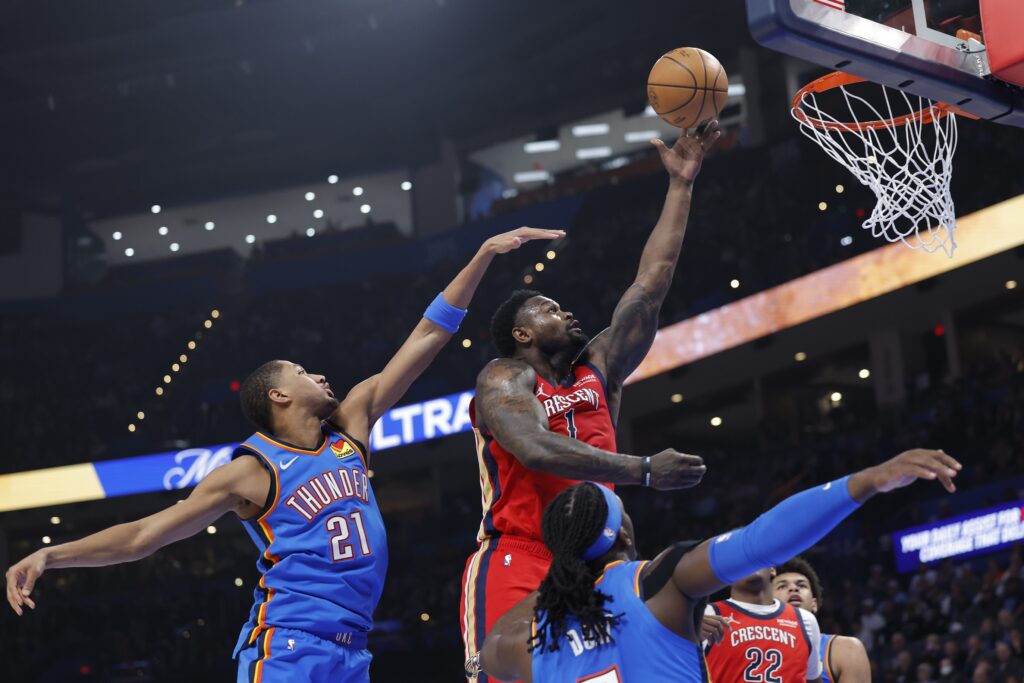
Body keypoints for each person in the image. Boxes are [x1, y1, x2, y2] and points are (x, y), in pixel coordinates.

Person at [4, 226, 564, 683]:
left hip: (354, 649)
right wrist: (52, 556)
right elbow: (142, 536)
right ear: (278, 395)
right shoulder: (249, 472)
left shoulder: (352, 425)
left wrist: (484, 253)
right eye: (303, 372)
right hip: (289, 646)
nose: (320, 374)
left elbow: (427, 335)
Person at [462, 121, 721, 680]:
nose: (569, 313)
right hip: (521, 551)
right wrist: (644, 470)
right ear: (522, 335)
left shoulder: (596, 370)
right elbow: (534, 448)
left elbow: (649, 287)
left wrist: (681, 185)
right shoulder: (502, 377)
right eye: (551, 309)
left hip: (599, 555)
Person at [471, 448, 960, 683]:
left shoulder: (527, 642)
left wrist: (564, 562)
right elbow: (760, 541)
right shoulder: (656, 584)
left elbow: (491, 644)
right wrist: (867, 482)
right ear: (622, 532)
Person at [704, 567, 823, 681]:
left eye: (754, 555)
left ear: (772, 569)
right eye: (741, 558)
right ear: (727, 574)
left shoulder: (805, 619)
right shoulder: (707, 615)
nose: (748, 561)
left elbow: (812, 679)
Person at [774, 556, 872, 683]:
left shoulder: (846, 649)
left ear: (814, 604)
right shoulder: (753, 648)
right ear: (767, 602)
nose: (793, 589)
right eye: (782, 586)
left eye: (801, 585)